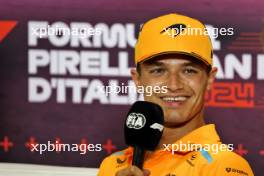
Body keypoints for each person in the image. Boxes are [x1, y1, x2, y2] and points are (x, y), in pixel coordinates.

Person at [97, 13, 254, 176]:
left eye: (189, 71)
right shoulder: (112, 166)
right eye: (158, 71)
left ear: (209, 79)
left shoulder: (223, 167)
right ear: (138, 80)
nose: (173, 85)